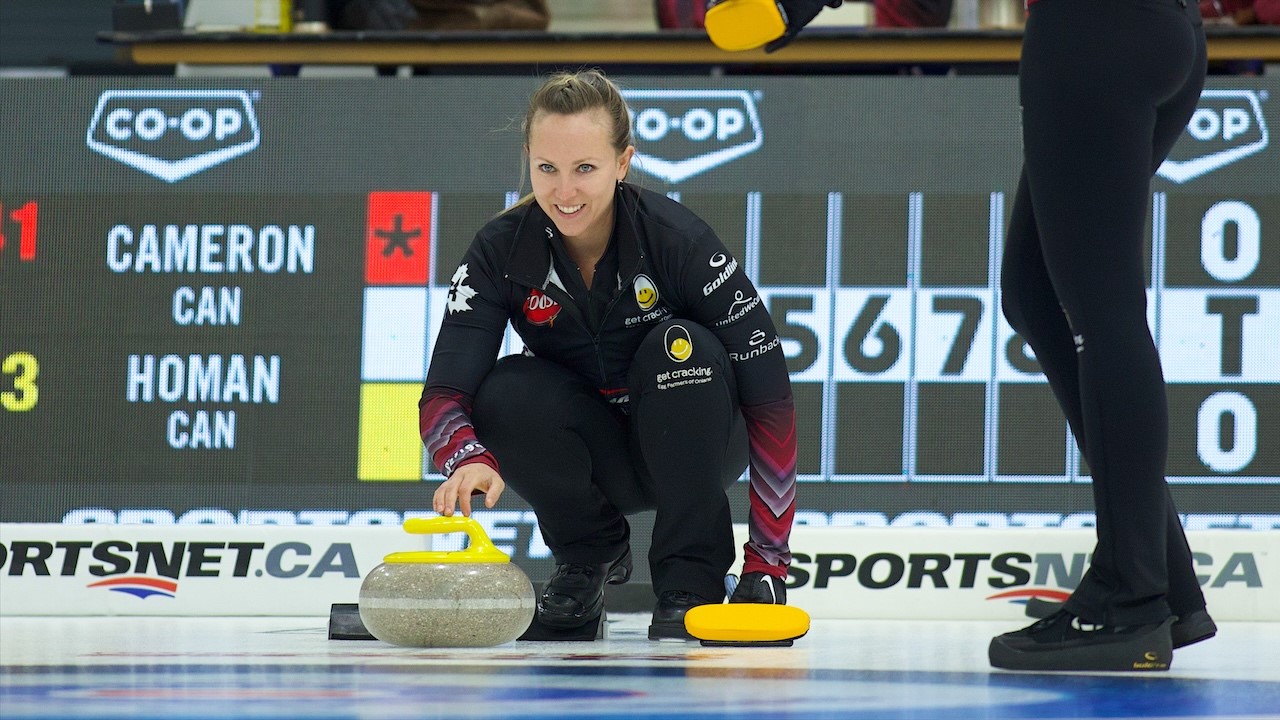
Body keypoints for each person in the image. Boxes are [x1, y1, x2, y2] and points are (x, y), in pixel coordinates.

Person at [419, 69, 797, 640]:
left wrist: (768, 562)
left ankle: (689, 583)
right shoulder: (500, 249)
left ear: (623, 163)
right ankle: (586, 559)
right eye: (547, 169)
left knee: (681, 349)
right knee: (504, 388)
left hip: (697, 446)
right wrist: (466, 455)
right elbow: (444, 396)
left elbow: (771, 402)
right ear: (528, 160)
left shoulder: (678, 241)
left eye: (585, 169)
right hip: (599, 463)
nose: (564, 192)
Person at [990, 0, 1216, 671]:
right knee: (1035, 294)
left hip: (1094, 29)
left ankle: (1129, 596)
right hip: (1164, 29)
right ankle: (1162, 577)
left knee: (1103, 308)